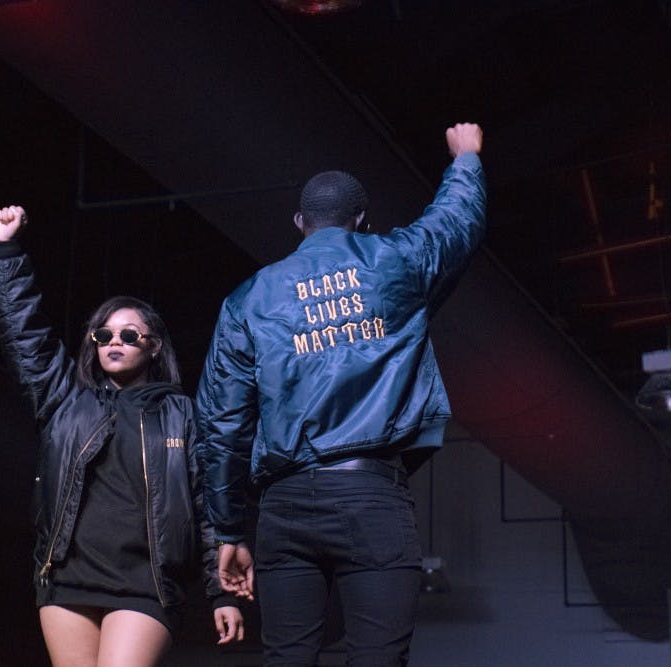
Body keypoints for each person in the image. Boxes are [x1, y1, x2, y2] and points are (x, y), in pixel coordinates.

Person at [197, 123, 487, 666]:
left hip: (282, 507)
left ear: (299, 223)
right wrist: (465, 159)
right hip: (371, 498)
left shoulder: (250, 299)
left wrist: (228, 529)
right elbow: (454, 224)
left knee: (287, 659)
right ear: (361, 220)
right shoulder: (395, 262)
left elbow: (221, 424)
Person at [0, 205, 245, 667]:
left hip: (145, 582)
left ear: (153, 346)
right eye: (103, 334)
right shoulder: (65, 399)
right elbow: (24, 335)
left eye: (129, 334)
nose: (114, 341)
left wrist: (220, 593)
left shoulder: (180, 414)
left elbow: (206, 504)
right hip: (68, 577)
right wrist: (7, 250)